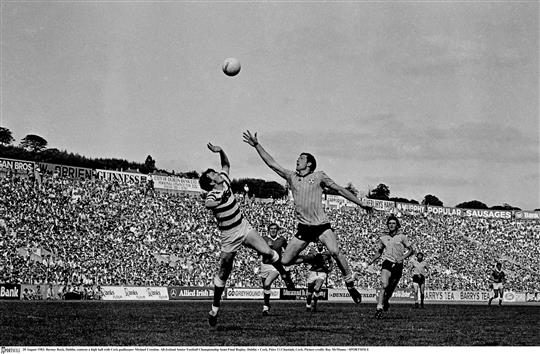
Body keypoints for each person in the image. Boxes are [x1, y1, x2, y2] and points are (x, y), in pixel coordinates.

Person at [242, 130, 372, 304]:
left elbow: (340, 189)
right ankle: (310, 259)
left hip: (321, 225)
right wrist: (257, 145)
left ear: (309, 163)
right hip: (304, 228)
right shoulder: (292, 177)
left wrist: (361, 203)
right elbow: (272, 164)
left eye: (301, 158)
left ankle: (349, 283)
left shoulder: (319, 176)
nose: (298, 160)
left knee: (334, 251)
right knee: (285, 261)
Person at [199, 142, 293, 327]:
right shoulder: (211, 194)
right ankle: (215, 309)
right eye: (213, 174)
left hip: (243, 226)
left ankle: (284, 274)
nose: (217, 173)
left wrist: (221, 151)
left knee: (267, 251)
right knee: (224, 270)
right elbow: (209, 204)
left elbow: (226, 165)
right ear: (211, 182)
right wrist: (221, 198)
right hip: (229, 235)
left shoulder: (224, 180)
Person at [369, 215, 414, 319]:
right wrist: (372, 260)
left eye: (393, 223)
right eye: (389, 223)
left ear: (397, 225)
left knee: (390, 289)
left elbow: (411, 250)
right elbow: (379, 252)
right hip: (387, 262)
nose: (391, 225)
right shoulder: (383, 237)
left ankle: (386, 301)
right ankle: (379, 308)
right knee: (384, 285)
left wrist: (402, 257)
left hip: (398, 264)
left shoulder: (402, 237)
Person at [259, 222, 293, 316]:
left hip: (276, 266)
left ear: (277, 230)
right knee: (266, 287)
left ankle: (265, 307)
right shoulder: (264, 239)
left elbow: (287, 251)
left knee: (267, 283)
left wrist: (287, 263)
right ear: (268, 230)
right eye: (271, 228)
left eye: (275, 228)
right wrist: (266, 247)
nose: (273, 230)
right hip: (264, 265)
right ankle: (267, 305)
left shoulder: (281, 239)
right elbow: (259, 251)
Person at [305, 241, 333, 313]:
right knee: (309, 293)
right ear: (316, 244)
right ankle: (308, 305)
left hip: (322, 273)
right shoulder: (312, 252)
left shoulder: (327, 253)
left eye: (321, 243)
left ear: (323, 244)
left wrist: (330, 268)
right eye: (318, 243)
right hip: (313, 272)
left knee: (317, 289)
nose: (320, 244)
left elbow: (330, 262)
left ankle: (314, 305)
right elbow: (307, 259)